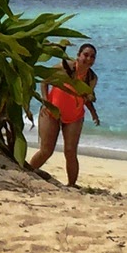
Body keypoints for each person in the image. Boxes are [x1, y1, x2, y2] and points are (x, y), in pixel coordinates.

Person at [28, 43, 100, 187]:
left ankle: (71, 185)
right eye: (86, 55)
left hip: (74, 116)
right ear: (78, 55)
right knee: (46, 150)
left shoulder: (92, 78)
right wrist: (46, 101)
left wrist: (93, 113)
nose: (89, 59)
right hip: (51, 112)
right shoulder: (64, 66)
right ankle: (27, 172)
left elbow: (85, 96)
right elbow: (45, 80)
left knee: (70, 151)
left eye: (92, 57)